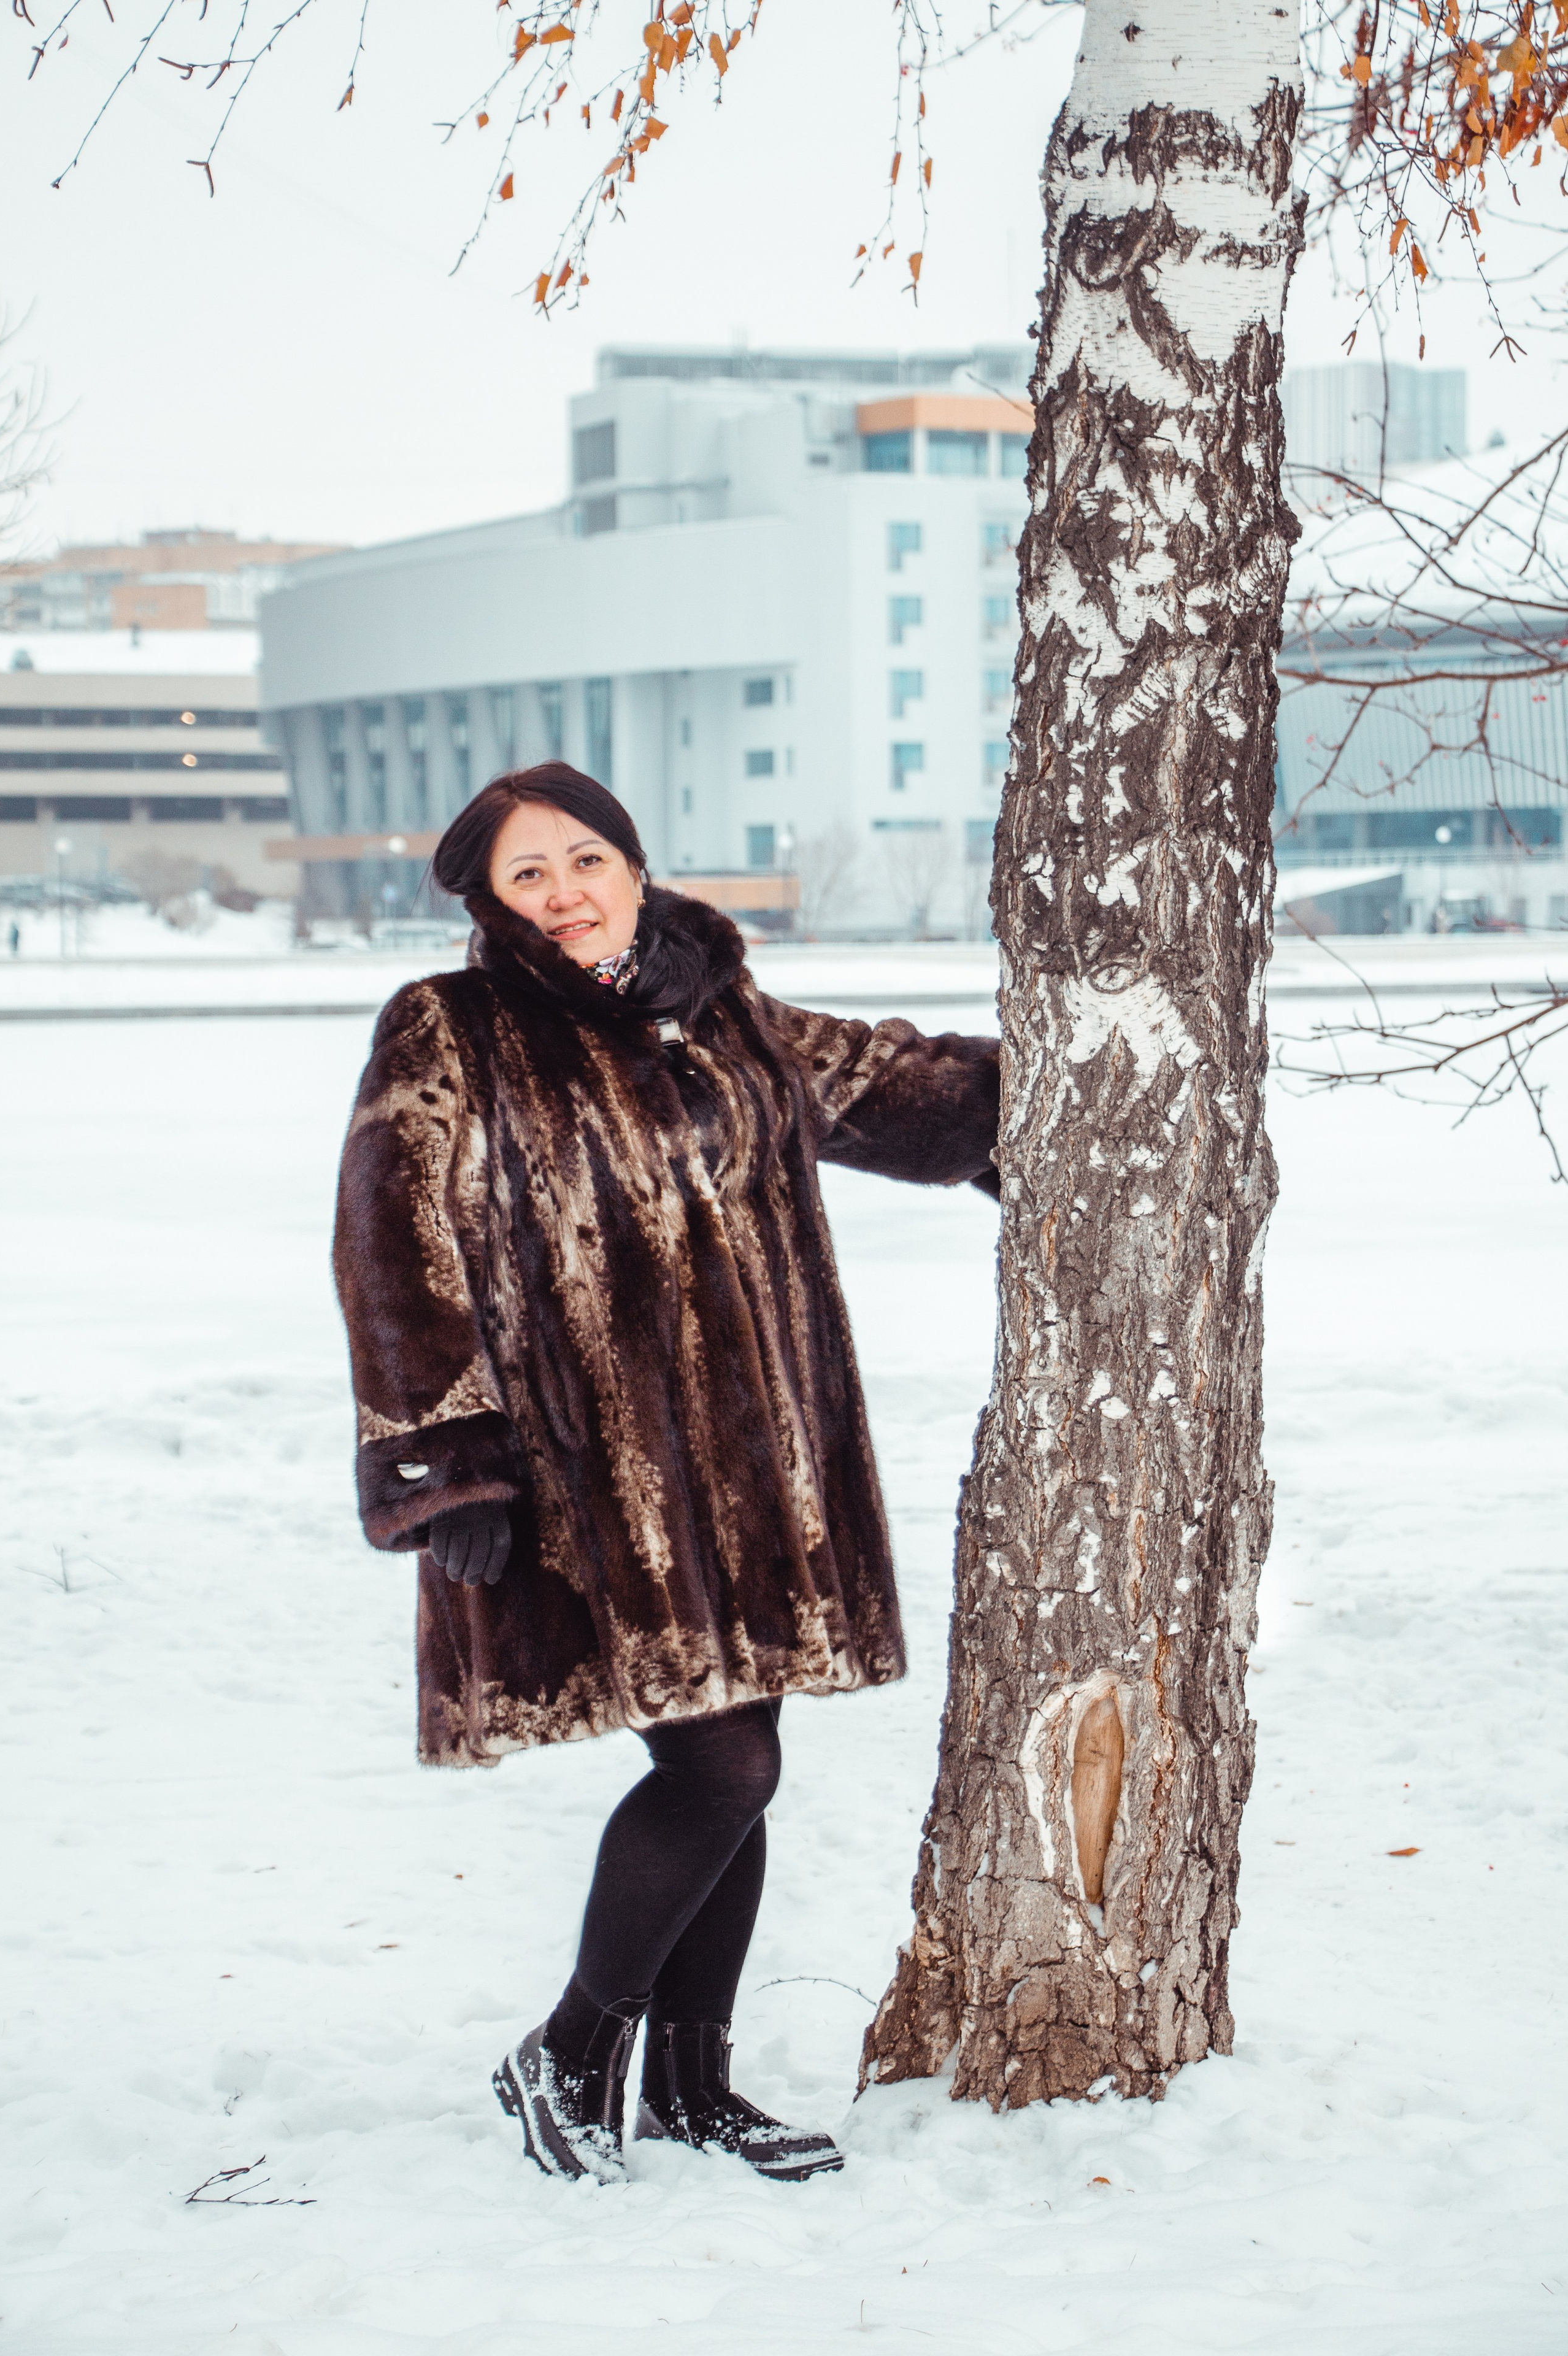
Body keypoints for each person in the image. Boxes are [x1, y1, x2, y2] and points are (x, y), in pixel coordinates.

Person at [333, 763, 1000, 2187]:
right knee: (720, 1765)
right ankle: (570, 2055)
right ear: (487, 902)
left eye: (585, 859)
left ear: (632, 866)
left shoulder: (722, 1009)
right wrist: (444, 1462)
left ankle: (689, 2088)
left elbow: (889, 1090)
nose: (564, 892)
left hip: (759, 1476)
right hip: (584, 1484)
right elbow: (393, 1240)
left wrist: (1067, 1090)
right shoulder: (450, 1029)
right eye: (529, 874)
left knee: (739, 1774)